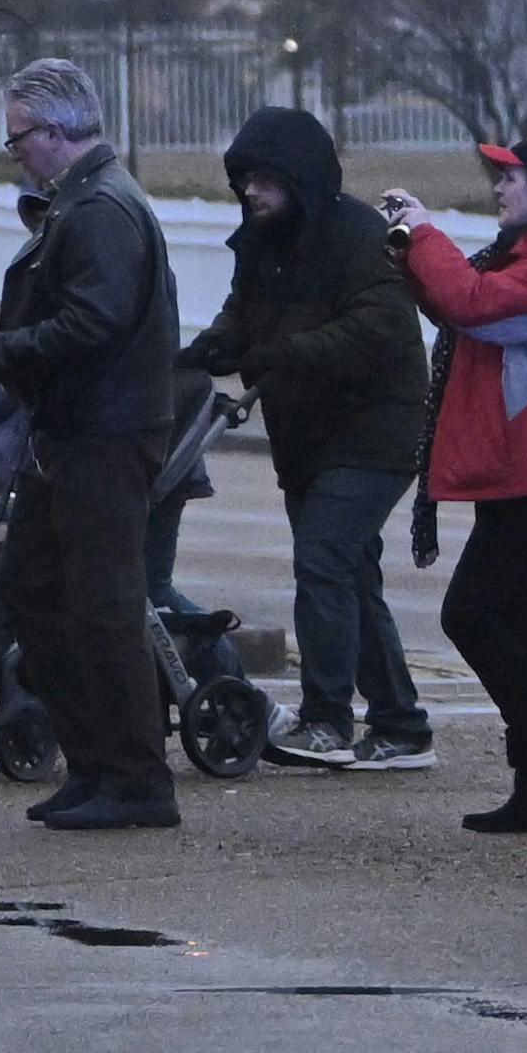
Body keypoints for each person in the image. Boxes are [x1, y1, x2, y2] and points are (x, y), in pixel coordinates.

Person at [0, 60, 184, 833]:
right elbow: (87, 308)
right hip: (82, 429)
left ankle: (134, 777)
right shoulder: (88, 202)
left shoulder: (98, 209)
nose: (13, 149)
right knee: (37, 587)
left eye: (18, 135)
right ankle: (99, 764)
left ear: (57, 132)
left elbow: (95, 324)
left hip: (105, 432)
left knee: (103, 603)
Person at [183, 111, 433, 772]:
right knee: (349, 573)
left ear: (301, 179)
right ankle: (401, 725)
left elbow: (377, 328)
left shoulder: (358, 237)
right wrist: (214, 344)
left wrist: (282, 353)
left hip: (375, 427)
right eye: (244, 181)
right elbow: (245, 310)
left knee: (323, 558)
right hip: (308, 431)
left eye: (264, 180)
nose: (251, 194)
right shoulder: (263, 240)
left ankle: (327, 718)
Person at [389, 134, 527, 832]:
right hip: (523, 464)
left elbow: (474, 304)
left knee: (471, 613)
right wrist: (410, 255)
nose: (499, 186)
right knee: (519, 622)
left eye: (512, 177)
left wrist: (426, 232)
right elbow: (460, 308)